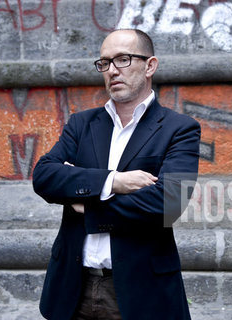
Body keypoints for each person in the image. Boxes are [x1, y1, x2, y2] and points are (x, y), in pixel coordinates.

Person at [33, 29, 201, 320]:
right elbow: (45, 176)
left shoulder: (180, 129)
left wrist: (85, 200)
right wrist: (114, 182)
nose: (112, 70)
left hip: (141, 292)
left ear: (150, 65)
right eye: (104, 63)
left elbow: (169, 202)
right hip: (73, 287)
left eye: (123, 59)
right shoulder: (81, 124)